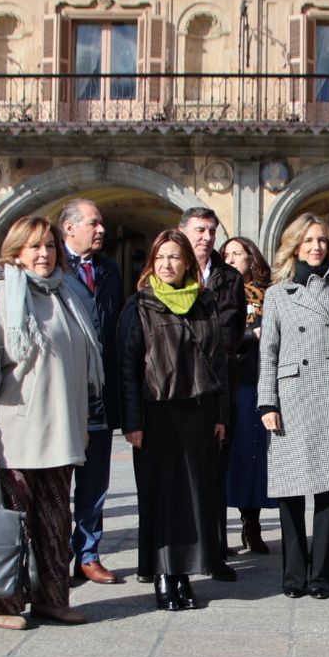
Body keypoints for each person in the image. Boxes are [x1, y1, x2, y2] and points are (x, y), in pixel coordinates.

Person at [0, 215, 102, 630]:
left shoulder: (65, 294)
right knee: (9, 524)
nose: (44, 254)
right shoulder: (0, 293)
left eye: (50, 246)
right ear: (16, 251)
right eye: (35, 246)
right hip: (14, 431)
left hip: (61, 430)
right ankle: (2, 604)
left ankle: (51, 600)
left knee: (55, 523)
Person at [119, 229, 229, 611]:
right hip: (157, 415)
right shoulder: (140, 305)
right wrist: (132, 422)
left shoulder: (204, 302)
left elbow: (218, 363)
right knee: (162, 498)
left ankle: (183, 573)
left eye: (174, 257)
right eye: (160, 257)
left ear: (187, 263)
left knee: (194, 498)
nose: (167, 264)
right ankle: (163, 575)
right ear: (152, 262)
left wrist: (220, 416)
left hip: (198, 413)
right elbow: (127, 367)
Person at [258, 214, 329, 599]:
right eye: (308, 240)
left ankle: (322, 576)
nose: (316, 246)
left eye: (322, 240)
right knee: (289, 492)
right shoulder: (276, 295)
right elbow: (268, 352)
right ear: (295, 247)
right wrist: (266, 402)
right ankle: (292, 575)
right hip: (290, 399)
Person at [59, 200, 125, 585]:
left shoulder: (109, 269)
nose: (101, 230)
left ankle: (87, 553)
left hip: (101, 393)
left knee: (95, 480)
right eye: (93, 223)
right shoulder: (53, 268)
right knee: (56, 481)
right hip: (64, 392)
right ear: (69, 228)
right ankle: (53, 555)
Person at [179, 206, 244, 579]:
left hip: (218, 387)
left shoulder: (229, 278)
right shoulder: (169, 269)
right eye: (200, 230)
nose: (206, 237)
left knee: (216, 471)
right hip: (176, 390)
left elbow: (231, 333)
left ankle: (216, 549)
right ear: (183, 232)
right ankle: (177, 552)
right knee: (179, 473)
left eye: (211, 231)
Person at [221, 235, 276, 555]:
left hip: (264, 378)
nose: (230, 259)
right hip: (234, 380)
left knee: (258, 455)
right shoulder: (219, 291)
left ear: (251, 258)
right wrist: (250, 335)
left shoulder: (270, 293)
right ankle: (222, 530)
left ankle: (252, 523)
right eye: (226, 254)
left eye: (236, 254)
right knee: (236, 453)